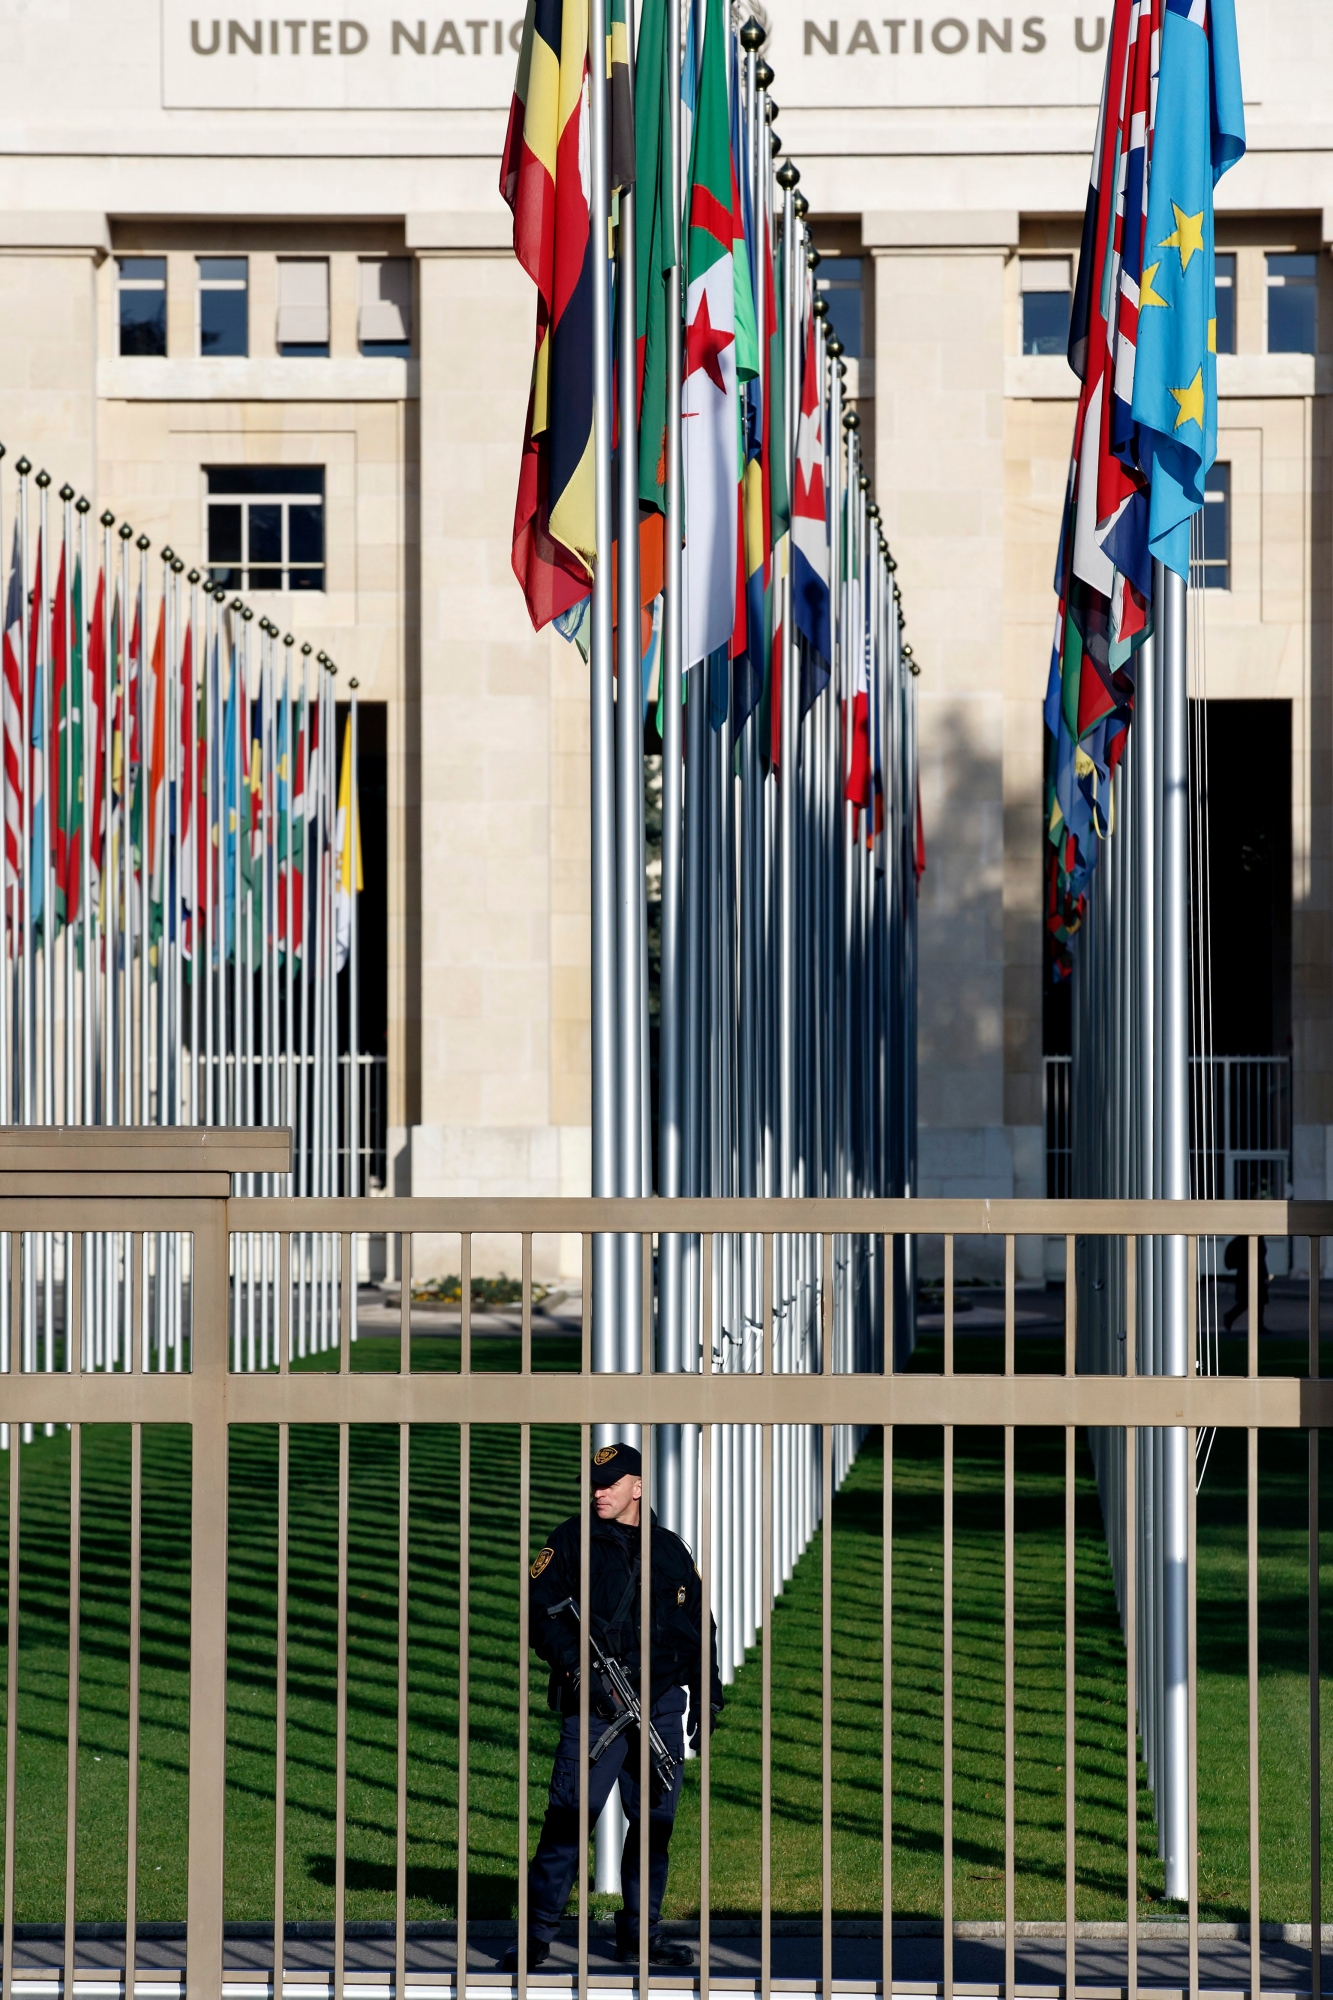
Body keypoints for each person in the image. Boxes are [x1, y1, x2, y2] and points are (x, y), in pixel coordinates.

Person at [503, 1442, 722, 1970]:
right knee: (567, 1820)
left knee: (653, 1826)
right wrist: (580, 1669)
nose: (599, 1491)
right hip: (597, 1707)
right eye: (596, 1483)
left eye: (612, 1483)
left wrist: (707, 1690)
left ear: (638, 1487)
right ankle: (536, 1937)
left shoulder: (671, 1550)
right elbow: (539, 1614)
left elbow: (699, 1626)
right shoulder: (571, 1542)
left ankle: (640, 1935)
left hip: (662, 1706)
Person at [1223, 1234, 1269, 1333]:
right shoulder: (1253, 1239)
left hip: (1246, 1274)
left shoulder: (1243, 1239)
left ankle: (1231, 1317)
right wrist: (1265, 1275)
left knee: (1251, 1301)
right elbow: (1260, 1259)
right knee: (1253, 1301)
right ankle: (1257, 1325)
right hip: (1252, 1274)